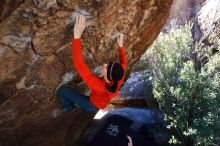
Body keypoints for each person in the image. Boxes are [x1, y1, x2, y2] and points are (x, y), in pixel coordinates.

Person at [56, 15, 126, 112]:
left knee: (62, 91)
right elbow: (124, 63)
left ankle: (69, 108)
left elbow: (79, 64)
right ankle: (81, 106)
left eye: (107, 68)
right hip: (98, 100)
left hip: (93, 105)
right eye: (109, 64)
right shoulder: (118, 76)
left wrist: (77, 37)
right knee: (86, 102)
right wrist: (120, 46)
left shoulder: (98, 86)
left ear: (107, 77)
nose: (105, 64)